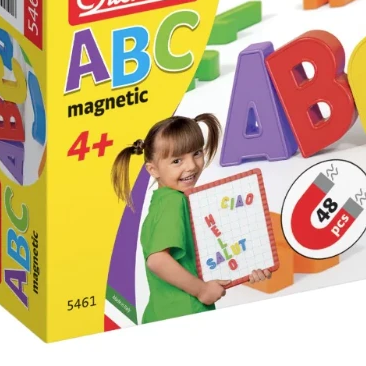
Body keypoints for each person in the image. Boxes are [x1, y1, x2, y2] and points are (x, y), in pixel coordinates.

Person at [111, 113, 271, 324]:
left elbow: (198, 257)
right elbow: (157, 260)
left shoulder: (166, 200)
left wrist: (248, 266)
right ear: (152, 169)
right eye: (177, 161)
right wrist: (202, 290)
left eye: (196, 153)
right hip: (184, 312)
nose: (191, 166)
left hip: (164, 312)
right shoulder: (173, 202)